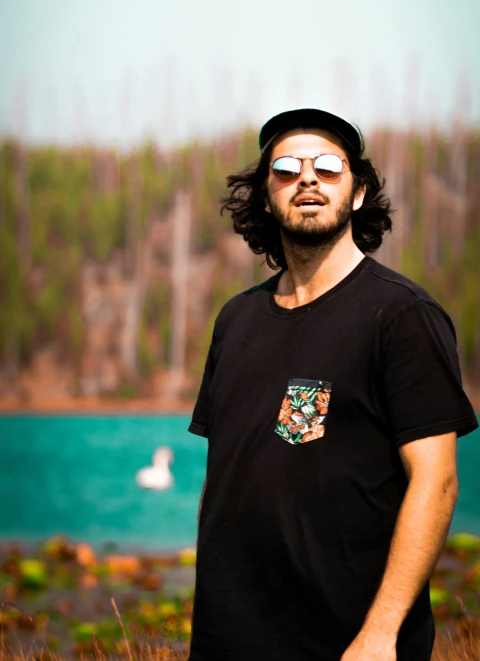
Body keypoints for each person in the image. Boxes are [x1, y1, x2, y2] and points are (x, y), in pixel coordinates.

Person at [186, 108, 478, 661]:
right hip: (228, 641)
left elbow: (436, 483)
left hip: (349, 643)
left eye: (327, 165)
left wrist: (381, 633)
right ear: (266, 195)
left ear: (359, 191)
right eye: (287, 168)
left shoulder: (401, 314)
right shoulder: (236, 319)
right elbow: (222, 478)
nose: (308, 178)